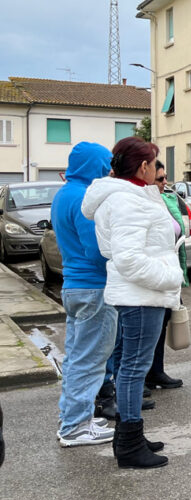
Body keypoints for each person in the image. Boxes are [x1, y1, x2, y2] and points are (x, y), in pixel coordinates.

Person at [82, 137, 185, 469]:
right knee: (133, 369)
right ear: (143, 167)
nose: (157, 170)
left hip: (140, 293)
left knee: (131, 366)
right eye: (154, 164)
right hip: (141, 295)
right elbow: (128, 259)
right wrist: (170, 276)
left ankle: (129, 436)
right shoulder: (128, 201)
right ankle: (129, 443)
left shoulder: (130, 195)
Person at [52, 142, 118, 447]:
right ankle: (76, 426)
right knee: (90, 360)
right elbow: (96, 251)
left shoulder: (64, 194)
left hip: (73, 286)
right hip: (94, 287)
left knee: (76, 357)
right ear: (96, 166)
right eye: (106, 165)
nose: (108, 171)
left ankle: (73, 418)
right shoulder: (84, 198)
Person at [145, 161, 186, 391]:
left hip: (170, 271)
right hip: (155, 272)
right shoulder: (140, 202)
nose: (165, 182)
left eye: (165, 177)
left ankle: (156, 371)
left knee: (163, 321)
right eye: (160, 179)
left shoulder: (166, 200)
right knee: (148, 327)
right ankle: (140, 378)